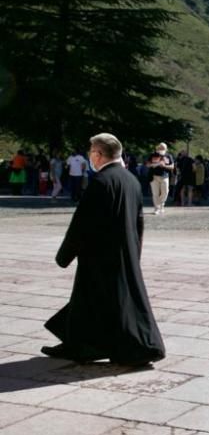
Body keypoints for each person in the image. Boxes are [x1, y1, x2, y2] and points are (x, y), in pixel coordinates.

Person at [42, 133, 166, 366]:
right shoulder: (131, 180)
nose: (90, 156)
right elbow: (138, 223)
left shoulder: (100, 181)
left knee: (102, 300)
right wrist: (135, 253)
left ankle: (138, 348)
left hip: (99, 255)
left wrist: (64, 256)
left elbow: (82, 223)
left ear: (98, 154)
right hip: (123, 251)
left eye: (91, 152)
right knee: (93, 301)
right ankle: (78, 345)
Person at [146, 143, 174, 215]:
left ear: (166, 149)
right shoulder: (152, 155)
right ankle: (157, 208)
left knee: (165, 192)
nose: (161, 149)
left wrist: (164, 166)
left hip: (165, 176)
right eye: (160, 148)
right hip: (154, 176)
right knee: (155, 193)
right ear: (157, 148)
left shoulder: (168, 156)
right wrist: (156, 164)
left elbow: (172, 166)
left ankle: (162, 205)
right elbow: (147, 165)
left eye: (163, 148)